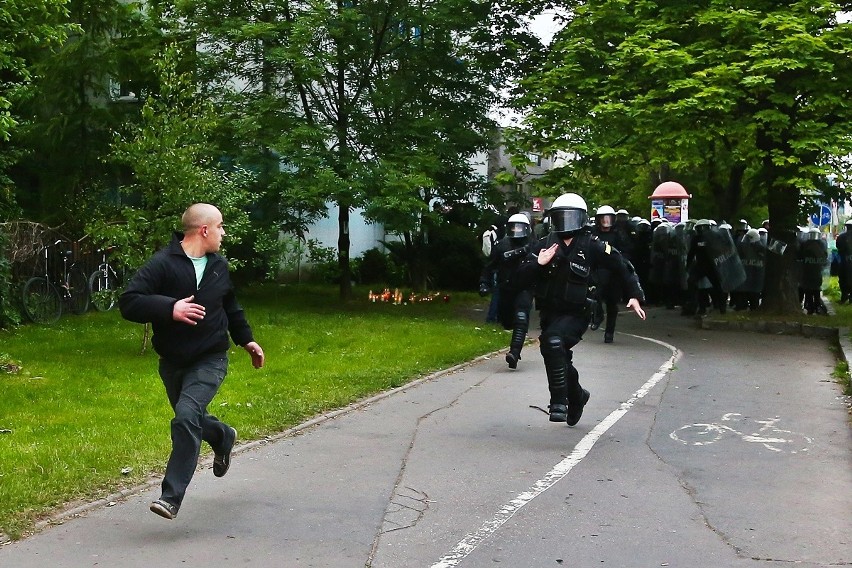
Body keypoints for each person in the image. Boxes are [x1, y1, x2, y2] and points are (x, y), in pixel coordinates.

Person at [119, 203, 265, 520]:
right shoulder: (163, 264)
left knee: (186, 416)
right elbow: (129, 302)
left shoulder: (218, 267)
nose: (223, 233)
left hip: (210, 357)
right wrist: (170, 308)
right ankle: (222, 436)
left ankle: (170, 497)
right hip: (172, 361)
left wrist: (247, 340)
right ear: (204, 230)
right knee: (193, 420)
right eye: (221, 227)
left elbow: (231, 306)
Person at [518, 193, 646, 426]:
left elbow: (622, 266)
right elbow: (518, 278)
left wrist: (634, 295)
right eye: (561, 216)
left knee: (553, 343)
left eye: (571, 216)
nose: (566, 222)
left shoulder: (592, 245)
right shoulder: (544, 244)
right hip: (550, 313)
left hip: (578, 312)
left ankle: (559, 402)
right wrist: (537, 264)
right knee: (556, 353)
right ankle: (577, 396)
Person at [480, 213, 535, 368]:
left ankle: (514, 353)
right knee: (507, 321)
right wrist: (484, 283)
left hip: (525, 288)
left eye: (520, 227)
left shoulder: (533, 244)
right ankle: (513, 343)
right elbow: (490, 266)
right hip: (506, 288)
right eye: (514, 227)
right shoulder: (502, 245)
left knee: (521, 317)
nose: (517, 231)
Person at [835, 219, 852, 303]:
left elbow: (838, 246)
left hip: (844, 261)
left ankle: (844, 296)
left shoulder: (841, 237)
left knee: (843, 279)